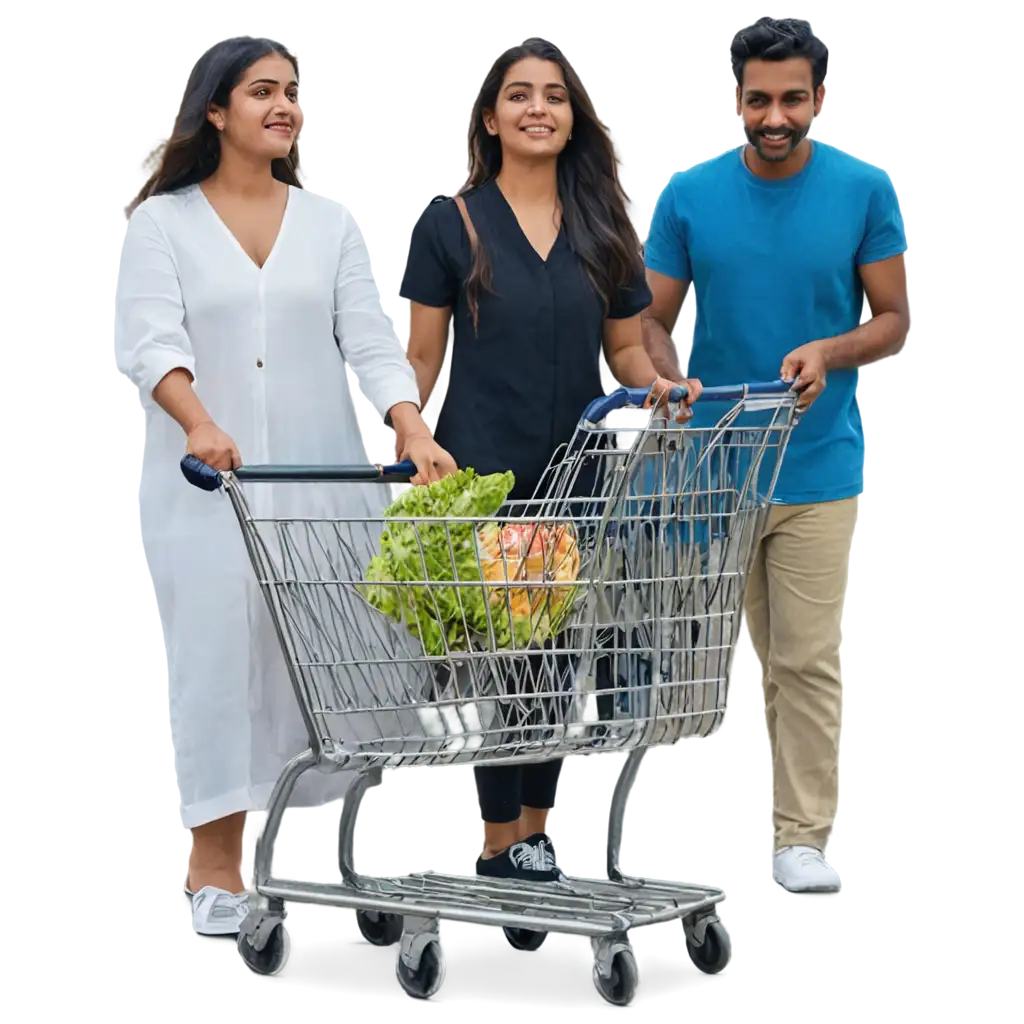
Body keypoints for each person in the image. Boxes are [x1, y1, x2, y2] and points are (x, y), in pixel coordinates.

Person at [111, 34, 456, 939]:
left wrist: (410, 426)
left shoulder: (332, 223)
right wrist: (199, 421)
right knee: (216, 668)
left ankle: (319, 860)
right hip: (206, 487)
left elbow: (370, 343)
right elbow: (153, 341)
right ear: (214, 112)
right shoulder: (163, 224)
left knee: (324, 663)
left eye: (292, 92)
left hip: (315, 483)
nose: (283, 106)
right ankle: (214, 869)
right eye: (261, 91)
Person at [399, 37, 702, 884]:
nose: (540, 108)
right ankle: (501, 838)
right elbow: (421, 358)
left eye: (556, 96)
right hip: (486, 473)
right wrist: (412, 437)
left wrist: (660, 387)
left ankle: (532, 836)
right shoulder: (447, 224)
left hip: (577, 471)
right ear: (490, 119)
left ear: (573, 121)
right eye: (521, 95)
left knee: (561, 656)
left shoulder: (604, 226)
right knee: (512, 655)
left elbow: (624, 349)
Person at [642, 16, 908, 896]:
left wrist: (830, 352)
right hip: (715, 470)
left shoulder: (865, 193)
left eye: (793, 98)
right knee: (708, 653)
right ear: (736, 99)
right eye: (759, 99)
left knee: (804, 658)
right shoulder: (687, 198)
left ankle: (801, 836)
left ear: (819, 100)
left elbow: (890, 317)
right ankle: (655, 823)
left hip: (819, 466)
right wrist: (670, 382)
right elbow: (648, 319)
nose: (776, 115)